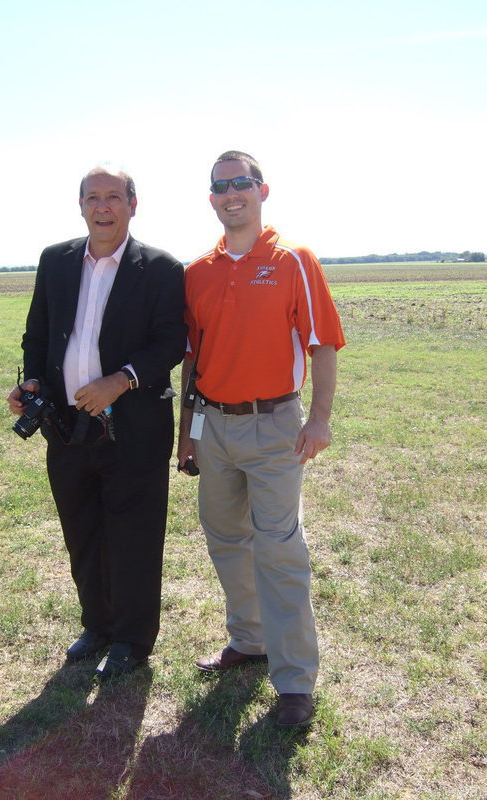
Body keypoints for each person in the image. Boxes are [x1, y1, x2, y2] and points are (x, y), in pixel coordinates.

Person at [177, 150, 345, 728]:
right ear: (211, 198)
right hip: (214, 427)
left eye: (241, 183)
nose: (232, 193)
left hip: (274, 425)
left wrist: (318, 419)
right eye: (221, 185)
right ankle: (248, 642)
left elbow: (322, 343)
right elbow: (192, 363)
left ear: (262, 190)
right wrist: (188, 435)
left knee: (279, 549)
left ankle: (295, 681)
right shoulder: (197, 271)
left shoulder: (294, 260)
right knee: (226, 538)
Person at [7, 165, 186, 681]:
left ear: (133, 204)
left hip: (134, 429)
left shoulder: (161, 269)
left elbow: (170, 342)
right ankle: (97, 624)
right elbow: (37, 334)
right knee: (81, 528)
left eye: (113, 197)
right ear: (80, 205)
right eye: (93, 197)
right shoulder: (55, 261)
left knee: (133, 533)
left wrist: (121, 379)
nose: (102, 206)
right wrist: (33, 384)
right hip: (65, 428)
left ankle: (132, 639)